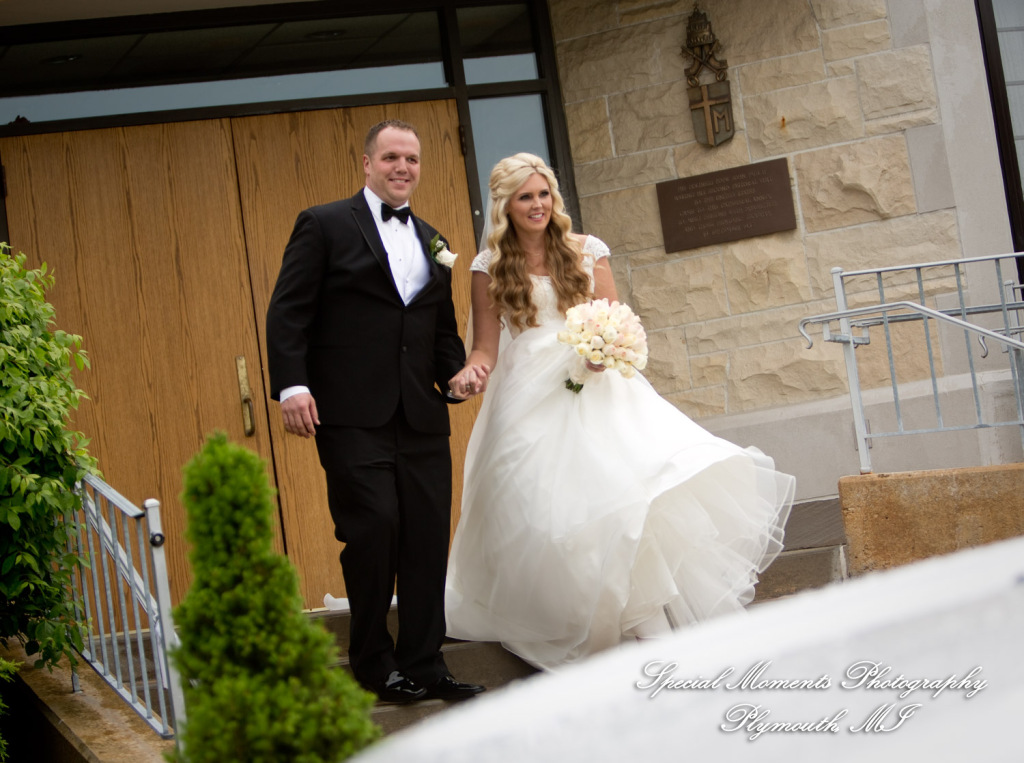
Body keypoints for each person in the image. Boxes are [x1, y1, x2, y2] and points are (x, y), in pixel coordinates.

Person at [444, 153, 796, 670]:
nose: (538, 205)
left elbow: (615, 319)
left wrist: (602, 352)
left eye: (544, 194)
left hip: (597, 388)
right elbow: (486, 349)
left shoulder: (586, 251)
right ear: (505, 206)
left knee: (623, 500)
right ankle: (582, 618)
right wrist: (470, 372)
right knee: (545, 514)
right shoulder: (489, 266)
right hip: (526, 399)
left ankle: (644, 627)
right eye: (525, 197)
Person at [266, 119, 487, 702]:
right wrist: (293, 386)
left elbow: (440, 330)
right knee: (373, 528)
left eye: (411, 159)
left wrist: (457, 374)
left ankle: (426, 662)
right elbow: (288, 311)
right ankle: (371, 657)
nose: (402, 168)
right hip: (348, 413)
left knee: (423, 535)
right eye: (391, 157)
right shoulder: (324, 224)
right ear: (367, 164)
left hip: (420, 415)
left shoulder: (435, 241)